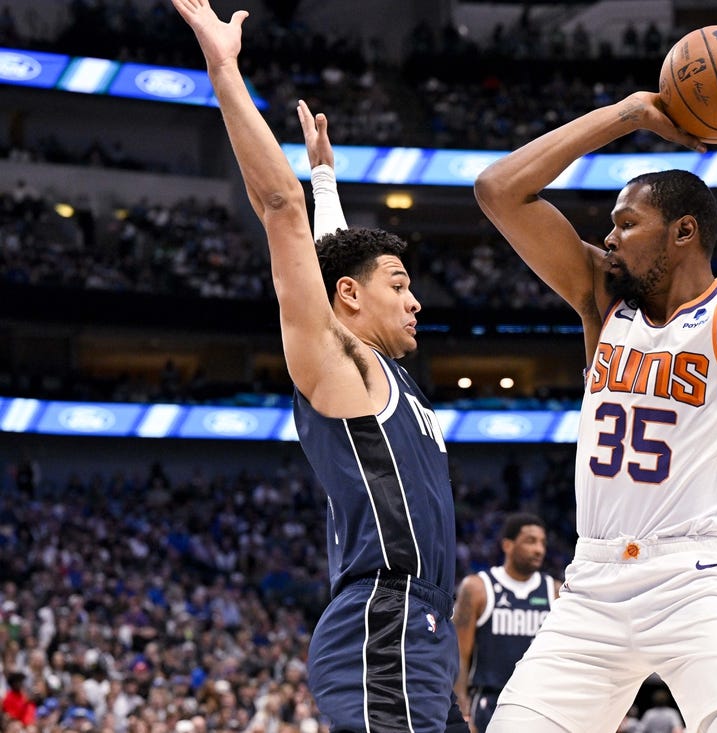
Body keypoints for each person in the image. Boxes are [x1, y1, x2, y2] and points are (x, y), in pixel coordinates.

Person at [475, 35, 717, 733]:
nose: (608, 238)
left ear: (683, 233)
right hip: (592, 585)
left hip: (692, 581)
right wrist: (628, 112)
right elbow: (498, 190)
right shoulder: (603, 300)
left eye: (626, 223)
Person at [170, 2, 464, 731]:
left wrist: (327, 178)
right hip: (382, 624)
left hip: (420, 634)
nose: (417, 300)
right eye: (401, 284)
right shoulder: (346, 374)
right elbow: (281, 213)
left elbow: (336, 260)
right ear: (352, 298)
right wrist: (225, 70)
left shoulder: (382, 373)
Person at [453, 513, 561, 732]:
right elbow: (458, 656)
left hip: (539, 703)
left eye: (542, 543)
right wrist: (460, 711)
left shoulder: (556, 591)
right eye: (531, 541)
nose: (539, 549)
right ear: (508, 545)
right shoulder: (477, 588)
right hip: (489, 702)